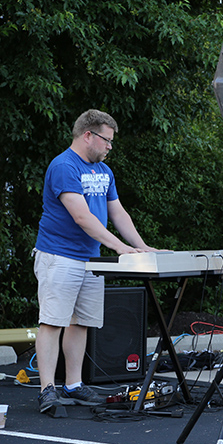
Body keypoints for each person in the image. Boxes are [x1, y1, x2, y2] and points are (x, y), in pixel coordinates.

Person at [34, 109, 158, 416]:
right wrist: (119, 248)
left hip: (91, 260)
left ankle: (73, 385)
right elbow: (81, 216)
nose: (110, 147)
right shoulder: (64, 166)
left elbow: (118, 213)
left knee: (81, 323)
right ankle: (46, 390)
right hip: (59, 256)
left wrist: (140, 247)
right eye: (107, 140)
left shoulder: (104, 172)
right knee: (52, 322)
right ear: (88, 135)